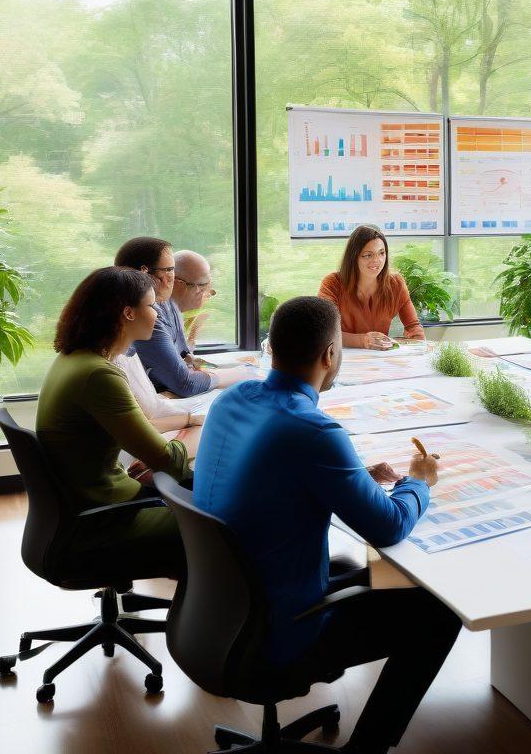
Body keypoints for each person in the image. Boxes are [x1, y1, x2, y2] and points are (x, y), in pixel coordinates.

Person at [193, 296, 461, 754]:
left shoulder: (232, 400)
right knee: (437, 611)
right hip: (275, 635)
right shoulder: (314, 431)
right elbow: (391, 527)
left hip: (215, 611)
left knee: (361, 569)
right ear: (330, 356)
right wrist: (418, 481)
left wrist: (353, 477)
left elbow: (276, 474)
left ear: (271, 348)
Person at [35, 266, 191, 577]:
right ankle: (204, 624)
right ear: (128, 313)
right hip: (103, 522)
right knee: (220, 525)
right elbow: (164, 458)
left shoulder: (75, 359)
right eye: (151, 305)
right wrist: (198, 442)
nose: (158, 314)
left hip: (87, 509)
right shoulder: (98, 374)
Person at [114, 237, 239, 397]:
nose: (174, 279)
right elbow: (184, 384)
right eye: (171, 269)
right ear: (146, 274)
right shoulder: (144, 318)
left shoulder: (165, 303)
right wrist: (234, 374)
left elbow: (182, 356)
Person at [318, 225, 425, 350]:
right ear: (354, 257)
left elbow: (413, 327)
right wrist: (362, 341)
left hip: (379, 360)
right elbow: (324, 332)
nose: (377, 261)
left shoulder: (396, 284)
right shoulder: (332, 284)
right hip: (341, 358)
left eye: (381, 253)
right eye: (368, 255)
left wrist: (420, 348)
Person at [171, 249, 217, 348]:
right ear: (178, 283)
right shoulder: (157, 322)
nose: (207, 293)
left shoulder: (178, 314)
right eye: (202, 285)